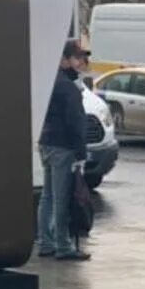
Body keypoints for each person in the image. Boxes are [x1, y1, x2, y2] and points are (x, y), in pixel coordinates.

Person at [38, 41, 92, 261]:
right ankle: (63, 245)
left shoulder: (50, 81)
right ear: (64, 59)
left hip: (47, 142)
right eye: (76, 58)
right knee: (61, 197)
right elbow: (75, 121)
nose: (79, 62)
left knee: (47, 196)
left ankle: (45, 242)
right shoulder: (68, 87)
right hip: (63, 147)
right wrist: (80, 152)